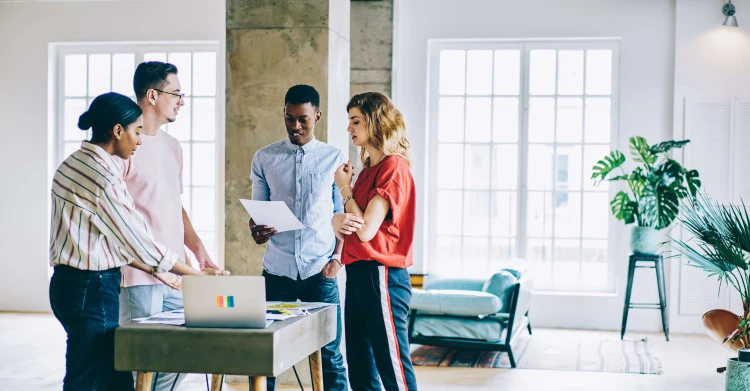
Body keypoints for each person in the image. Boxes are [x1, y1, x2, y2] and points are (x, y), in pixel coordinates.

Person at [49, 92, 228, 391]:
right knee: (90, 378)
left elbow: (114, 240)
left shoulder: (73, 163)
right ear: (118, 131)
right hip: (91, 288)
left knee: (110, 376)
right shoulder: (103, 176)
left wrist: (162, 271)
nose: (140, 140)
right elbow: (140, 241)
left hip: (70, 285)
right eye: (137, 131)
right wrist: (196, 277)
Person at [118, 61, 219, 391]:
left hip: (176, 273)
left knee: (189, 350)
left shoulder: (173, 147)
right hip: (139, 276)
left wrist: (199, 251)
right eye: (176, 93)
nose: (181, 100)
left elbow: (174, 205)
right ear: (151, 95)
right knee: (146, 365)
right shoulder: (123, 146)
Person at [249, 85, 349, 391]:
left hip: (320, 271)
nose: (295, 126)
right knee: (265, 352)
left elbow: (343, 215)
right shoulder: (264, 158)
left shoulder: (334, 158)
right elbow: (257, 216)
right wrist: (257, 230)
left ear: (316, 116)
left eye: (303, 119)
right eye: (290, 118)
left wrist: (337, 259)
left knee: (330, 354)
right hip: (276, 271)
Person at [332, 92, 418, 391]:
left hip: (381, 273)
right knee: (360, 364)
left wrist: (344, 190)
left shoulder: (393, 167)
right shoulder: (369, 170)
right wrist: (337, 222)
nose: (349, 128)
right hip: (358, 272)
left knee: (392, 366)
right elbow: (352, 224)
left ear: (375, 121)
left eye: (355, 121)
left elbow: (366, 230)